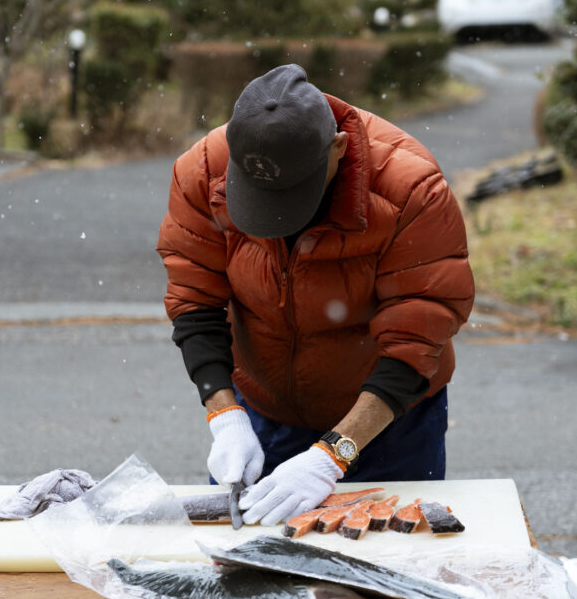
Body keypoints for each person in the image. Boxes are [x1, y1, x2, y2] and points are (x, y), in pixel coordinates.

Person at [156, 64, 474, 526]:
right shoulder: (203, 170)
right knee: (244, 565)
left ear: (338, 149)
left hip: (389, 419)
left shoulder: (410, 191)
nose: (280, 222)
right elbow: (195, 299)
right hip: (263, 410)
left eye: (292, 198)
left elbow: (417, 338)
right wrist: (224, 417)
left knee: (391, 571)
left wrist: (331, 455)